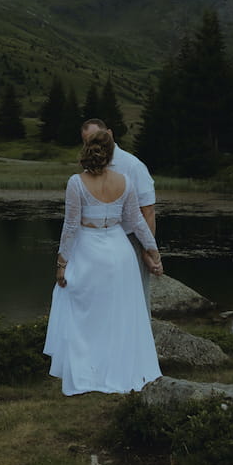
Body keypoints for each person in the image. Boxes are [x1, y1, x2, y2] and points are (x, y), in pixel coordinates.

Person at [44, 128, 164, 395]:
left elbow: (71, 226)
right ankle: (118, 368)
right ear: (111, 153)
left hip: (89, 251)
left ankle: (89, 370)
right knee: (118, 314)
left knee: (86, 312)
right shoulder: (125, 181)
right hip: (120, 253)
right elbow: (138, 222)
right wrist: (153, 251)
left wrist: (62, 263)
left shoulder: (76, 183)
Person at [81, 118, 159, 296]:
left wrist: (146, 251)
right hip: (97, 244)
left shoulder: (133, 166)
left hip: (131, 240)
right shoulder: (88, 169)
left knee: (134, 295)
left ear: (109, 134)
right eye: (87, 142)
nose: (93, 145)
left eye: (96, 138)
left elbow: (148, 212)